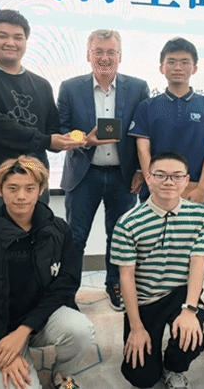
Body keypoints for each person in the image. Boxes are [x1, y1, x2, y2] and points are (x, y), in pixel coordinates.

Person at [0, 155, 94, 389]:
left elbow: (66, 283)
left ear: (41, 190)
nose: (21, 196)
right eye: (12, 188)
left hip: (40, 319)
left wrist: (24, 330)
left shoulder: (59, 229)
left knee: (79, 329)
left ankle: (61, 374)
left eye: (29, 188)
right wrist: (2, 344)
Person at [0, 9, 86, 228]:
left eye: (18, 37)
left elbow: (52, 131)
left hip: (33, 184)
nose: (11, 43)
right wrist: (47, 140)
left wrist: (76, 139)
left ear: (26, 41)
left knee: (37, 245)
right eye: (2, 36)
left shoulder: (41, 84)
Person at [58, 29, 150, 310]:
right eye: (98, 51)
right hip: (84, 174)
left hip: (124, 176)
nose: (105, 58)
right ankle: (67, 292)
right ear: (88, 55)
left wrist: (140, 169)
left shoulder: (138, 87)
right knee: (75, 237)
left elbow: (144, 131)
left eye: (111, 52)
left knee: (120, 236)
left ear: (120, 56)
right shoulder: (70, 87)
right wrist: (84, 139)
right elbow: (61, 130)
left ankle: (115, 284)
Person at [111, 151, 204, 389]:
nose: (169, 182)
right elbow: (126, 277)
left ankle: (174, 367)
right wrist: (136, 327)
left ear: (187, 181)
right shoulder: (128, 222)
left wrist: (190, 310)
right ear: (148, 178)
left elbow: (198, 263)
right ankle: (150, 356)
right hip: (145, 298)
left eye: (177, 176)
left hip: (180, 294)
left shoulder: (201, 216)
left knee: (191, 336)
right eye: (161, 175)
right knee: (142, 378)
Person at [129, 37, 204, 205]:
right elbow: (143, 150)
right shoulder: (146, 107)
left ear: (194, 68)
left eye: (184, 62)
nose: (178, 67)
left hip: (195, 193)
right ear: (161, 67)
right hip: (155, 194)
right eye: (171, 62)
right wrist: (153, 186)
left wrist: (202, 188)